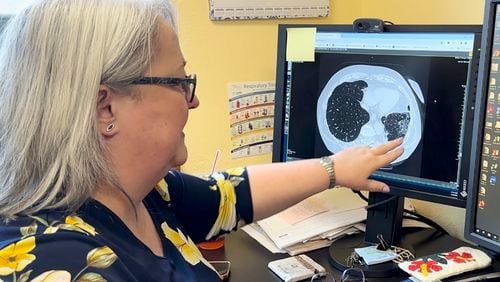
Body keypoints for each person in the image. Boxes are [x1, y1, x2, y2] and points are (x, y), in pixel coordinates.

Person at [0, 0, 404, 281]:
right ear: (105, 108)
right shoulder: (57, 264)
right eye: (179, 82)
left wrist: (336, 170)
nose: (194, 100)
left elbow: (229, 195)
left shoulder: (143, 196)